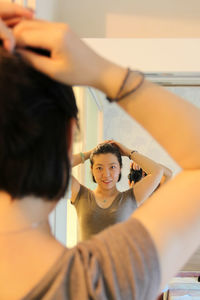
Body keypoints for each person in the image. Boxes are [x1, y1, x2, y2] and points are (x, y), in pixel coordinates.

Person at [0, 3, 200, 300]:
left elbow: (162, 174)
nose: (105, 173)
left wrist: (125, 151)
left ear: (119, 170)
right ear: (70, 135)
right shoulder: (102, 281)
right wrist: (101, 70)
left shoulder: (128, 196)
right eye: (98, 166)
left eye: (111, 167)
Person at [71, 140, 172, 240]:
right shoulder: (81, 195)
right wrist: (91, 153)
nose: (106, 175)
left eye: (112, 167)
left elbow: (159, 172)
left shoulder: (131, 198)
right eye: (99, 168)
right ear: (92, 168)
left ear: (120, 168)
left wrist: (130, 153)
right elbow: (57, 166)